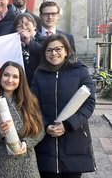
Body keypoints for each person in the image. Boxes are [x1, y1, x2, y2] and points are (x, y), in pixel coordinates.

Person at [31, 35, 95, 178]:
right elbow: (33, 106)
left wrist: (68, 125)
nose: (54, 53)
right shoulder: (39, 74)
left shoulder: (80, 71)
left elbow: (89, 103)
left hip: (74, 137)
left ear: (66, 51)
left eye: (58, 49)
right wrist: (45, 125)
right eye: (49, 50)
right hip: (46, 140)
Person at [0, 61, 44, 178]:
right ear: (0, 76)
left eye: (15, 77)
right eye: (6, 75)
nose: (10, 80)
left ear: (21, 80)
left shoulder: (30, 100)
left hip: (27, 166)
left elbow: (40, 130)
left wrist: (27, 143)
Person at [14, 12, 45, 83]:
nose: (24, 28)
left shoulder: (45, 40)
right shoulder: (14, 44)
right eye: (19, 26)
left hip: (40, 82)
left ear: (34, 26)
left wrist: (28, 41)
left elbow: (44, 54)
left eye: (27, 24)